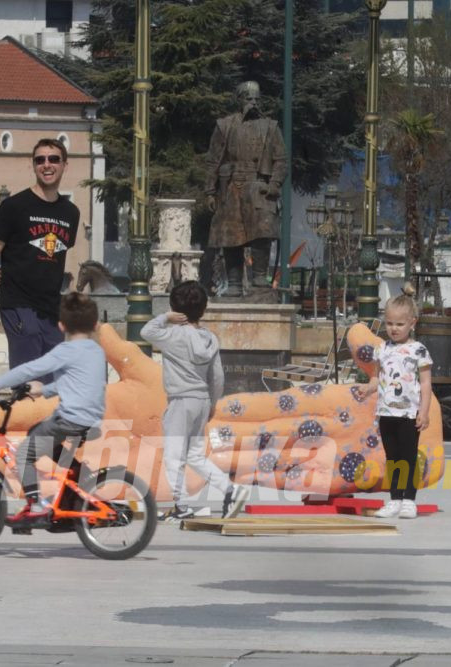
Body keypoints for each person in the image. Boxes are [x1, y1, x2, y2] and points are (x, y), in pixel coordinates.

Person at [0, 292, 104, 520]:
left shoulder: (66, 350)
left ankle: (36, 506)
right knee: (37, 431)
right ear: (96, 325)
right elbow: (78, 383)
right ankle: (78, 475)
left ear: (60, 325)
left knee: (25, 454)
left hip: (70, 419)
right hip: (93, 420)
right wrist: (45, 390)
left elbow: (30, 369)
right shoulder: (96, 351)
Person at [141, 281, 250, 521]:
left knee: (174, 456)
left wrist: (166, 317)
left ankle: (181, 505)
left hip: (180, 400)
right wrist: (212, 403)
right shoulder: (210, 339)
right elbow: (218, 376)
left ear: (176, 309)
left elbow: (145, 332)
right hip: (201, 400)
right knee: (195, 455)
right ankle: (231, 489)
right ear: (203, 308)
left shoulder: (172, 335)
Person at [0, 138, 80, 382]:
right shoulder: (14, 207)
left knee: (52, 386)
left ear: (65, 164)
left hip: (52, 312)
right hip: (19, 306)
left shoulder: (71, 213)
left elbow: (53, 262)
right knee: (27, 385)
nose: (47, 165)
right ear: (33, 166)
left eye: (53, 159)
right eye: (40, 160)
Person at [204, 80, 287, 298]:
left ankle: (260, 279)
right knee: (232, 236)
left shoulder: (271, 127)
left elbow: (281, 160)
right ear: (239, 100)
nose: (253, 102)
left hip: (260, 187)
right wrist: (210, 191)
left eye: (257, 98)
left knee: (262, 233)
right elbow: (213, 160)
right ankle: (234, 283)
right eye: (249, 98)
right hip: (232, 187)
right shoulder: (225, 125)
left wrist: (274, 184)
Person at [361, 290, 433, 519]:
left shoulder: (418, 350)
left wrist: (424, 411)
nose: (394, 328)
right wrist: (368, 387)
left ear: (412, 323)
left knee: (408, 457)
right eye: (389, 323)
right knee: (392, 458)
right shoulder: (382, 349)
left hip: (409, 414)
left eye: (400, 324)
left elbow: (425, 382)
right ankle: (394, 499)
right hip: (386, 412)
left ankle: (409, 500)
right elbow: (377, 376)